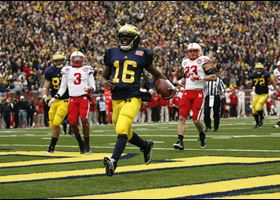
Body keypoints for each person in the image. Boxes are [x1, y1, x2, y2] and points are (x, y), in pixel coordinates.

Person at [102, 24, 175, 176]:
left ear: (135, 39)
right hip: (116, 97)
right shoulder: (111, 52)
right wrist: (103, 81)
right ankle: (145, 146)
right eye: (122, 38)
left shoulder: (142, 54)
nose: (124, 40)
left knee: (122, 128)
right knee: (124, 131)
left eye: (127, 37)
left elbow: (158, 74)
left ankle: (113, 161)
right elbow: (104, 75)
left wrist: (168, 84)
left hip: (133, 96)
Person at [49, 51, 96, 154]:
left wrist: (90, 88)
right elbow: (62, 88)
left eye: (79, 59)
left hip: (83, 98)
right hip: (72, 99)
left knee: (84, 119)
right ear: (71, 60)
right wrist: (55, 97)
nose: (77, 60)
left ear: (83, 59)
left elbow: (93, 86)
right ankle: (81, 143)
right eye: (75, 59)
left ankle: (87, 145)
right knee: (72, 123)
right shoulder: (67, 70)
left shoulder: (87, 69)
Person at [173, 42, 217, 151]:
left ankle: (202, 134)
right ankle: (180, 141)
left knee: (196, 120)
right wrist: (178, 83)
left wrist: (200, 77)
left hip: (198, 92)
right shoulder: (185, 62)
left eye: (195, 51)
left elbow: (213, 76)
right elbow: (186, 78)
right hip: (187, 92)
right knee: (182, 117)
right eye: (190, 51)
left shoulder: (203, 60)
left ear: (199, 51)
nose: (192, 53)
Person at [43, 51, 70, 154]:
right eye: (56, 60)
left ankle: (51, 147)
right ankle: (52, 147)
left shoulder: (69, 70)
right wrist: (45, 96)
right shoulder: (50, 71)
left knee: (57, 121)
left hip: (66, 99)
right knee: (52, 123)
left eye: (60, 60)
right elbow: (46, 87)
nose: (59, 62)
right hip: (55, 99)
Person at [246, 62, 278, 128]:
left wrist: (276, 88)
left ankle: (262, 117)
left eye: (260, 69)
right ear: (255, 69)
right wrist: (248, 83)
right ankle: (258, 123)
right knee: (253, 110)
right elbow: (250, 83)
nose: (259, 70)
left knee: (258, 107)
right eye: (257, 69)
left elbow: (272, 81)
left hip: (264, 94)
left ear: (263, 69)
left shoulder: (266, 74)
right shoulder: (253, 75)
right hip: (257, 94)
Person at [273, 59, 280, 128]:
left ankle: (279, 121)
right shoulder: (275, 71)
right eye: (279, 66)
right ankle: (279, 121)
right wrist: (276, 84)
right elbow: (274, 80)